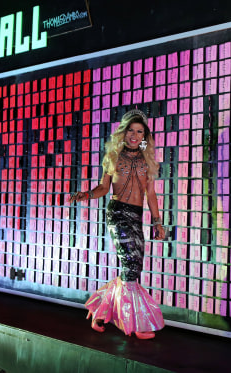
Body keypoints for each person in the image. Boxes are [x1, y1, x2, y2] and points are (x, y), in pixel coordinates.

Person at [69, 109, 165, 340]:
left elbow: (151, 195)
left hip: (137, 214)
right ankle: (136, 324)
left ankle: (99, 313)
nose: (134, 135)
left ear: (145, 136)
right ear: (123, 132)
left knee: (134, 267)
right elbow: (103, 188)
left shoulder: (148, 161)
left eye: (139, 131)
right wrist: (85, 195)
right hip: (117, 213)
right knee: (130, 266)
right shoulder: (113, 157)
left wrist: (157, 222)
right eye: (130, 130)